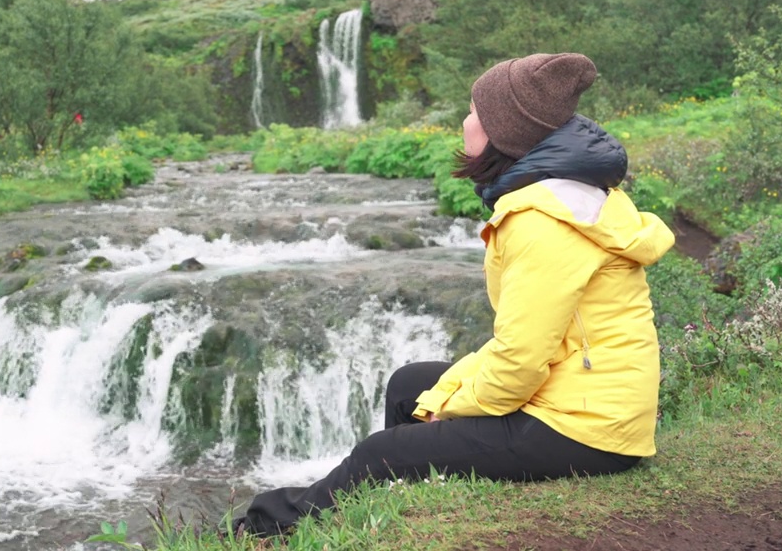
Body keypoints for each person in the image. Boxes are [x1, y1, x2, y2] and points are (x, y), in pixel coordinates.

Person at [233, 52, 676, 537]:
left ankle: (267, 530)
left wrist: (453, 405)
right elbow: (531, 342)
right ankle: (395, 509)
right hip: (580, 398)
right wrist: (447, 393)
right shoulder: (560, 196)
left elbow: (522, 360)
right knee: (409, 385)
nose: (465, 121)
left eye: (473, 111)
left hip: (587, 430)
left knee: (380, 452)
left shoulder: (544, 223)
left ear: (502, 132)